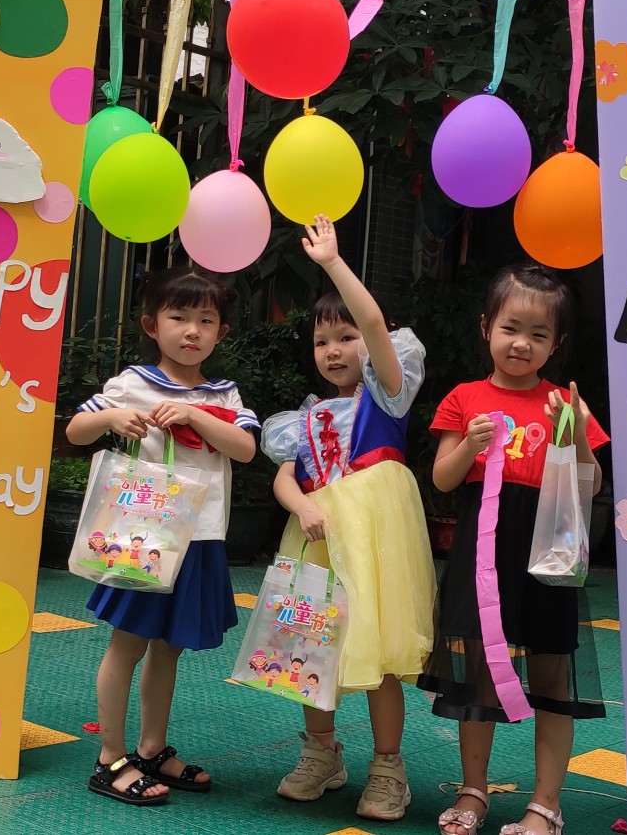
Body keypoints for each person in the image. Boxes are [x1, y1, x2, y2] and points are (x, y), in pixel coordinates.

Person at [420, 262, 609, 835]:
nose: (521, 343)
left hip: (547, 548)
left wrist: (574, 432)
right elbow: (443, 480)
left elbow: (591, 485)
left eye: (538, 334)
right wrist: (469, 443)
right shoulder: (465, 398)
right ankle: (473, 791)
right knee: (477, 670)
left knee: (552, 674)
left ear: (557, 344)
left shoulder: (565, 403)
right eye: (510, 328)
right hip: (483, 551)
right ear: (486, 327)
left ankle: (545, 805)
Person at [261, 215, 436, 822]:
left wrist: (333, 263)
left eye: (345, 337)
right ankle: (321, 753)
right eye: (321, 342)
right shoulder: (303, 418)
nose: (333, 350)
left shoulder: (387, 392)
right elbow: (286, 476)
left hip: (378, 540)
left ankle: (388, 768)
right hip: (318, 538)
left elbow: (376, 324)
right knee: (312, 646)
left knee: (379, 649)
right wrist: (302, 503)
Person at [66, 268, 259, 807]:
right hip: (143, 539)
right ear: (152, 325)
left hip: (201, 539)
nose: (192, 330)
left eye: (206, 321)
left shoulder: (225, 394)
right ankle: (110, 757)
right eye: (179, 317)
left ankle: (151, 749)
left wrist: (195, 413)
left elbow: (245, 448)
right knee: (127, 643)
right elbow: (75, 430)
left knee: (169, 648)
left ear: (221, 333)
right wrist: (115, 417)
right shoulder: (131, 383)